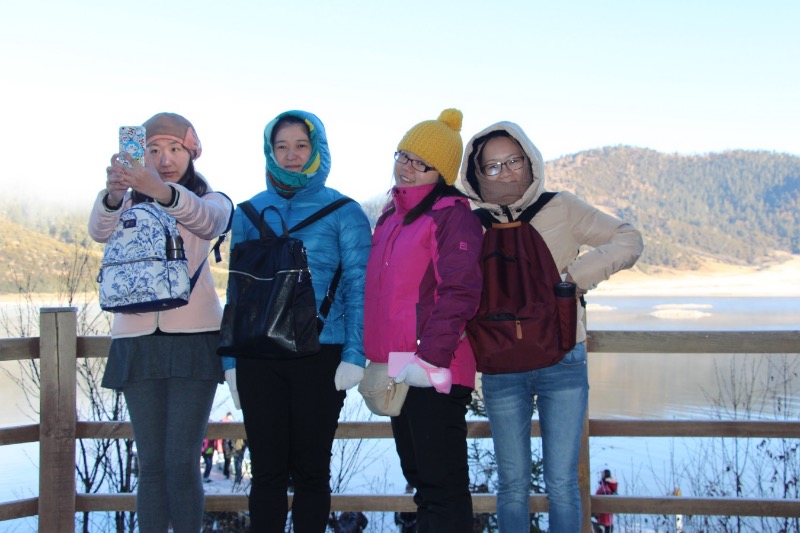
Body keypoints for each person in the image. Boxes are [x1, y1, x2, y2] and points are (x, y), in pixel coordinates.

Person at [460, 122, 643, 532]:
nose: (506, 172)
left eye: (514, 161)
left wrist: (574, 278)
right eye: (493, 166)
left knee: (562, 483)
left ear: (530, 160)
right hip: (500, 367)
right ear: (477, 173)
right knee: (512, 485)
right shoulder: (470, 223)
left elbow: (628, 238)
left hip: (562, 358)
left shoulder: (561, 207)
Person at [221, 110, 371, 532]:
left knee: (311, 472)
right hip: (258, 356)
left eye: (301, 145)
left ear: (316, 149)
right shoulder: (248, 212)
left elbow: (360, 286)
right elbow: (237, 292)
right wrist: (230, 363)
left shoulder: (345, 212)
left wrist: (354, 354)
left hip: (320, 355)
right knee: (266, 472)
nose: (291, 155)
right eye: (281, 146)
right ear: (270, 151)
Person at [88, 112, 233, 532]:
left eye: (175, 149)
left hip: (194, 339)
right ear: (140, 154)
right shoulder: (126, 202)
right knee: (150, 464)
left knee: (181, 460)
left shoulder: (211, 199)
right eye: (153, 149)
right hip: (135, 339)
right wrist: (115, 195)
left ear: (192, 153)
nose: (165, 159)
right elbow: (98, 231)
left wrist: (161, 191)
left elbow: (210, 221)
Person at [363, 109, 484, 532]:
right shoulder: (391, 216)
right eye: (404, 156)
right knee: (421, 478)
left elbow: (460, 291)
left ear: (442, 174)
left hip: (437, 367)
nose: (407, 168)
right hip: (401, 365)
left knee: (441, 487)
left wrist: (430, 359)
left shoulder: (452, 216)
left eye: (421, 163)